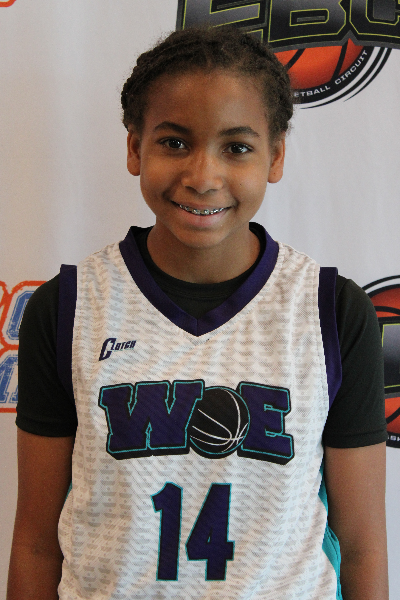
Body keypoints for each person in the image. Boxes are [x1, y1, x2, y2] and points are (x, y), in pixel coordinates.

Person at [7, 26, 388, 600]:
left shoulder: (330, 311)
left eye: (236, 148)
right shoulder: (70, 307)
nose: (203, 177)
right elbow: (36, 542)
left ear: (275, 155)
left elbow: (361, 545)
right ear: (135, 148)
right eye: (174, 143)